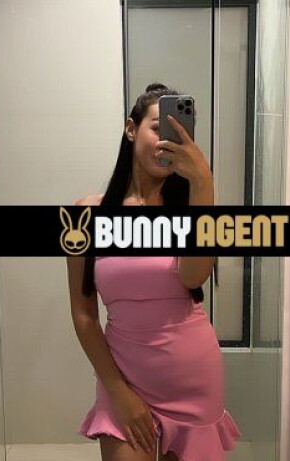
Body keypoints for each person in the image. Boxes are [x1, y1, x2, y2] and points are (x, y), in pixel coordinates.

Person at [66, 83, 242, 461]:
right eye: (158, 128)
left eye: (177, 134)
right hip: (123, 377)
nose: (166, 142)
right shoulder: (84, 214)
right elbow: (84, 316)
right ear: (131, 129)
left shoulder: (191, 209)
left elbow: (193, 277)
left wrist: (203, 182)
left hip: (193, 378)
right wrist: (118, 392)